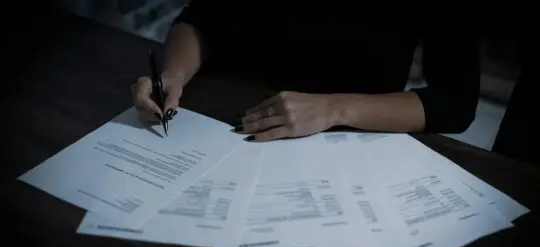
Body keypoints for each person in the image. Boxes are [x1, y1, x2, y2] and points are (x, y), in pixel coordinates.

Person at [132, 0, 480, 142]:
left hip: (346, 138)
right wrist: (174, 74)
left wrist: (335, 108)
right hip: (223, 120)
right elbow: (201, 16)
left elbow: (455, 101)